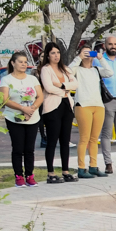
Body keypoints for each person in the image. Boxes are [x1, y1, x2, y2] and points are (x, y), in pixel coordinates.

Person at [0, 50, 42, 186]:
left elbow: (40, 96)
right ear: (13, 63)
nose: (23, 64)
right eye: (20, 62)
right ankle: (19, 176)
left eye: (25, 62)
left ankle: (30, 175)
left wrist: (32, 109)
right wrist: (23, 109)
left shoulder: (32, 79)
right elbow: (4, 100)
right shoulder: (6, 80)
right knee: (18, 148)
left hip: (32, 117)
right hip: (14, 117)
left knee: (29, 149)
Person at [38, 42, 78, 183]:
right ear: (48, 55)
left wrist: (62, 85)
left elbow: (75, 84)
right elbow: (48, 88)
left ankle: (65, 171)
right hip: (52, 108)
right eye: (53, 53)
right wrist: (65, 91)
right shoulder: (45, 69)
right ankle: (50, 173)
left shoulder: (65, 69)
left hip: (67, 106)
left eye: (58, 52)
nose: (56, 55)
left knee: (65, 140)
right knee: (52, 141)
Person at [71, 47, 112, 178]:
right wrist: (79, 58)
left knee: (94, 138)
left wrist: (101, 59)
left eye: (90, 52)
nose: (88, 55)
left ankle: (93, 166)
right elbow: (68, 72)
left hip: (98, 105)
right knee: (84, 138)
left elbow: (110, 72)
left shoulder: (96, 69)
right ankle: (81, 168)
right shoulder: (77, 69)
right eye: (85, 52)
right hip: (83, 105)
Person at [95, 35, 116, 173]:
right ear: (104, 45)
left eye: (115, 44)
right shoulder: (98, 61)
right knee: (106, 134)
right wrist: (93, 54)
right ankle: (108, 163)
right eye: (110, 44)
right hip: (107, 101)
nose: (113, 46)